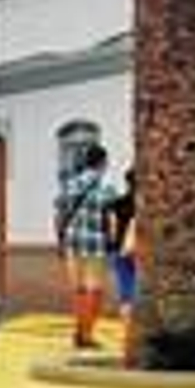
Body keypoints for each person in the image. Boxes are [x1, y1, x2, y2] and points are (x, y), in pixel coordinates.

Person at [54, 141, 116, 349]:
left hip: (72, 240)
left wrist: (60, 240)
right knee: (94, 289)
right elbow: (112, 218)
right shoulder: (107, 187)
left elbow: (59, 213)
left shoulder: (70, 184)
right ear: (103, 163)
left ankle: (80, 330)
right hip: (95, 242)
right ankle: (86, 333)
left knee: (78, 289)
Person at [109, 167, 138, 338]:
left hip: (120, 251)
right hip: (142, 253)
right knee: (140, 293)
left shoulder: (117, 203)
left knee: (126, 292)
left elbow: (112, 230)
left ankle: (128, 332)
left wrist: (116, 246)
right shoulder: (151, 204)